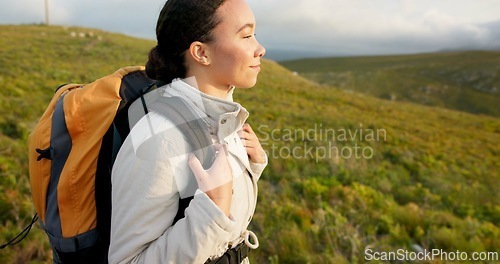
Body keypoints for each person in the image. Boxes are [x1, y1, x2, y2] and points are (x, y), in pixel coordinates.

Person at [108, 0, 267, 263]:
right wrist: (212, 210)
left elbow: (214, 196)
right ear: (201, 53)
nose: (260, 48)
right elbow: (129, 260)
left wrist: (252, 166)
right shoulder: (159, 138)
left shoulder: (219, 118)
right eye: (246, 35)